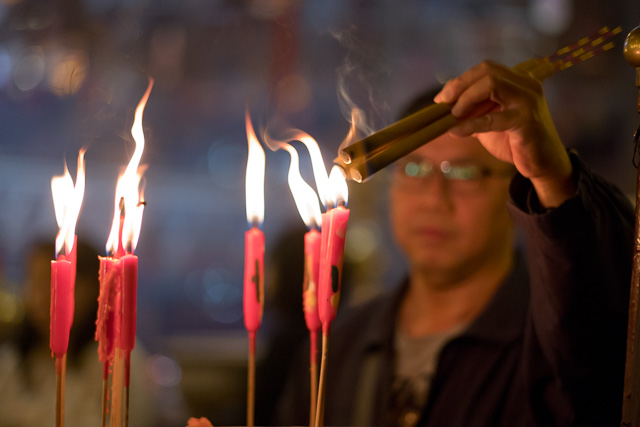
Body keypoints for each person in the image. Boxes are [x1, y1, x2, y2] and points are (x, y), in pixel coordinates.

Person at [275, 60, 634, 427]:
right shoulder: (341, 346)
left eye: (464, 173)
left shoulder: (552, 341)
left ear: (515, 186)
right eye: (414, 169)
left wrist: (551, 174)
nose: (434, 198)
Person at [0, 239, 159, 427]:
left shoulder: (113, 361)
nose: (38, 294)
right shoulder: (14, 356)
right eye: (33, 280)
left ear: (91, 289)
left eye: (51, 282)